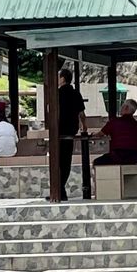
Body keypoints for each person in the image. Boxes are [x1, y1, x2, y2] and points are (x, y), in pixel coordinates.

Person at [58, 68, 86, 201]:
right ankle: (61, 188)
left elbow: (49, 111)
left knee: (57, 161)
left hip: (58, 130)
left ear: (63, 78)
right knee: (66, 160)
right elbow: (82, 114)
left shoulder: (56, 94)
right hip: (71, 130)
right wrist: (84, 127)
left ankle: (59, 189)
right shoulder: (76, 94)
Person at [93, 99, 137, 166]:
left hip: (117, 157)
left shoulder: (114, 122)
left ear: (126, 107)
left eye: (122, 105)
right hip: (133, 158)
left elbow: (100, 134)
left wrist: (93, 134)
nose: (121, 108)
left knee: (96, 162)